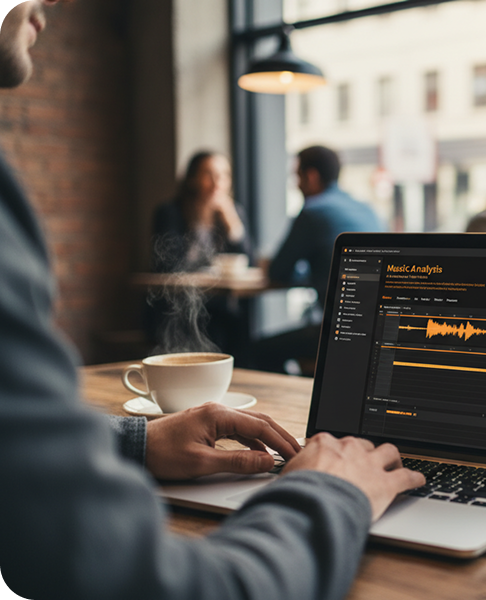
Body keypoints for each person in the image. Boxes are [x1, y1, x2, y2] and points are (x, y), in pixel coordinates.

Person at [0, 3, 423, 599]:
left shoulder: (259, 214)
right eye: (212, 177)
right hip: (227, 327)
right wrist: (331, 490)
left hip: (246, 321)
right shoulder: (170, 213)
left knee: (231, 333)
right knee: (229, 335)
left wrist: (136, 440)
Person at [253, 145, 384, 374]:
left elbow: (277, 272)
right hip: (379, 329)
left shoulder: (313, 211)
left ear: (311, 176)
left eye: (297, 176)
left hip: (339, 330)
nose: (296, 184)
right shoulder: (367, 210)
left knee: (257, 351)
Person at [146, 151, 254, 357]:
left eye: (224, 175)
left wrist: (233, 226)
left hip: (218, 306)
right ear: (192, 179)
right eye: (209, 174)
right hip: (177, 306)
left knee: (239, 327)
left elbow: (248, 263)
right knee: (215, 326)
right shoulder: (170, 212)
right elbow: (167, 266)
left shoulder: (232, 213)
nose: (217, 183)